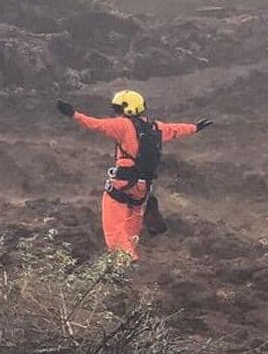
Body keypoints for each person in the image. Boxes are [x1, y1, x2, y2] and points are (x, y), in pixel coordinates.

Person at [57, 90, 211, 261]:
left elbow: (96, 125)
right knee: (132, 222)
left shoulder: (123, 126)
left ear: (127, 109)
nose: (116, 113)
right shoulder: (156, 128)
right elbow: (176, 130)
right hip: (142, 188)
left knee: (114, 226)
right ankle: (129, 254)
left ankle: (124, 258)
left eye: (118, 109)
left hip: (123, 183)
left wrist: (73, 114)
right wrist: (195, 127)